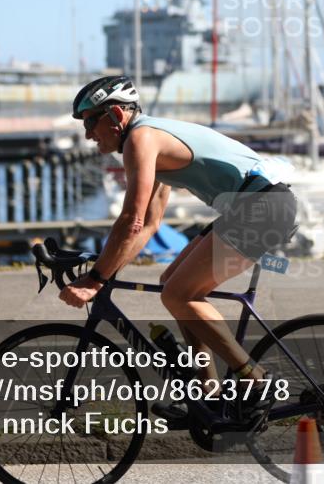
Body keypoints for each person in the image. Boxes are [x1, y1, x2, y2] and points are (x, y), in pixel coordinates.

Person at [59, 75, 298, 421]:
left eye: (90, 122)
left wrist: (95, 280)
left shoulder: (140, 139)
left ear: (114, 115)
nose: (87, 134)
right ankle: (208, 397)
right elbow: (150, 224)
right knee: (172, 281)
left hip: (261, 207)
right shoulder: (149, 139)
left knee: (179, 295)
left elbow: (131, 221)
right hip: (254, 205)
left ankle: (256, 381)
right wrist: (105, 269)